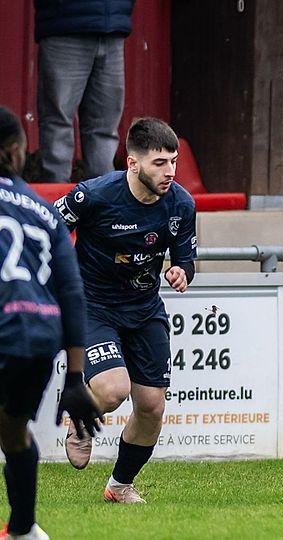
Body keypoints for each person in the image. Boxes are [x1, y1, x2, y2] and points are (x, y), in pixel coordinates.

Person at [52, 117, 197, 504]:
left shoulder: (181, 204)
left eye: (174, 161)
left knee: (151, 406)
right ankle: (80, 418)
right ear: (133, 163)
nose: (170, 172)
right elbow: (47, 229)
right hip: (92, 307)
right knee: (114, 389)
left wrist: (182, 272)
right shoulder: (93, 196)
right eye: (159, 163)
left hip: (145, 310)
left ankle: (119, 486)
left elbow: (186, 258)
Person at [0, 105, 101, 540]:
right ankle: (24, 529)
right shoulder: (45, 212)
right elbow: (72, 293)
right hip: (39, 338)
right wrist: (75, 378)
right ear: (16, 151)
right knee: (13, 431)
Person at [34, 0, 134, 182]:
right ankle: (55, 196)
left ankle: (103, 195)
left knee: (104, 129)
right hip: (65, 23)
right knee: (59, 124)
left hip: (113, 25)